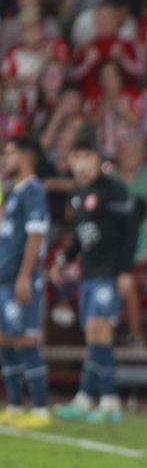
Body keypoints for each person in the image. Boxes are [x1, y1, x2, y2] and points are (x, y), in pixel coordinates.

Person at [52, 137, 137, 423]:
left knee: (99, 331)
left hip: (109, 272)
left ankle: (110, 399)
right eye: (78, 157)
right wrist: (64, 259)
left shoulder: (113, 191)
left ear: (99, 160)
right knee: (93, 337)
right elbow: (81, 235)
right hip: (90, 272)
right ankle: (87, 397)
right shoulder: (77, 193)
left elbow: (130, 232)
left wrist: (124, 271)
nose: (84, 163)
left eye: (89, 156)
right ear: (71, 161)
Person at [0, 135, 52, 428]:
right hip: (5, 278)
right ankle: (17, 405)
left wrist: (24, 276)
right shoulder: (14, 192)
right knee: (5, 339)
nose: (5, 160)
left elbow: (36, 235)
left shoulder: (33, 190)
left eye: (10, 153)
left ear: (27, 156)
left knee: (25, 338)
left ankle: (42, 408)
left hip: (21, 278)